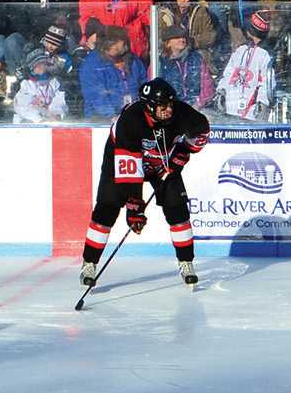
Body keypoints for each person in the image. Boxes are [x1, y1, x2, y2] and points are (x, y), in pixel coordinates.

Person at [81, 78, 211, 289]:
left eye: (170, 104)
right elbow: (130, 172)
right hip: (122, 160)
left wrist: (183, 153)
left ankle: (186, 262)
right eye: (163, 106)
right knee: (107, 208)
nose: (169, 109)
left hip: (163, 162)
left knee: (177, 209)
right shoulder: (130, 121)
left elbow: (202, 130)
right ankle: (89, 263)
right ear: (149, 106)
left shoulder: (180, 112)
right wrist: (135, 207)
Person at [217, 10, 277, 120]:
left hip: (251, 114)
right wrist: (222, 90)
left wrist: (262, 103)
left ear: (250, 31)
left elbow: (267, 83)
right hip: (230, 110)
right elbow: (228, 74)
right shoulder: (241, 50)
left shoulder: (265, 55)